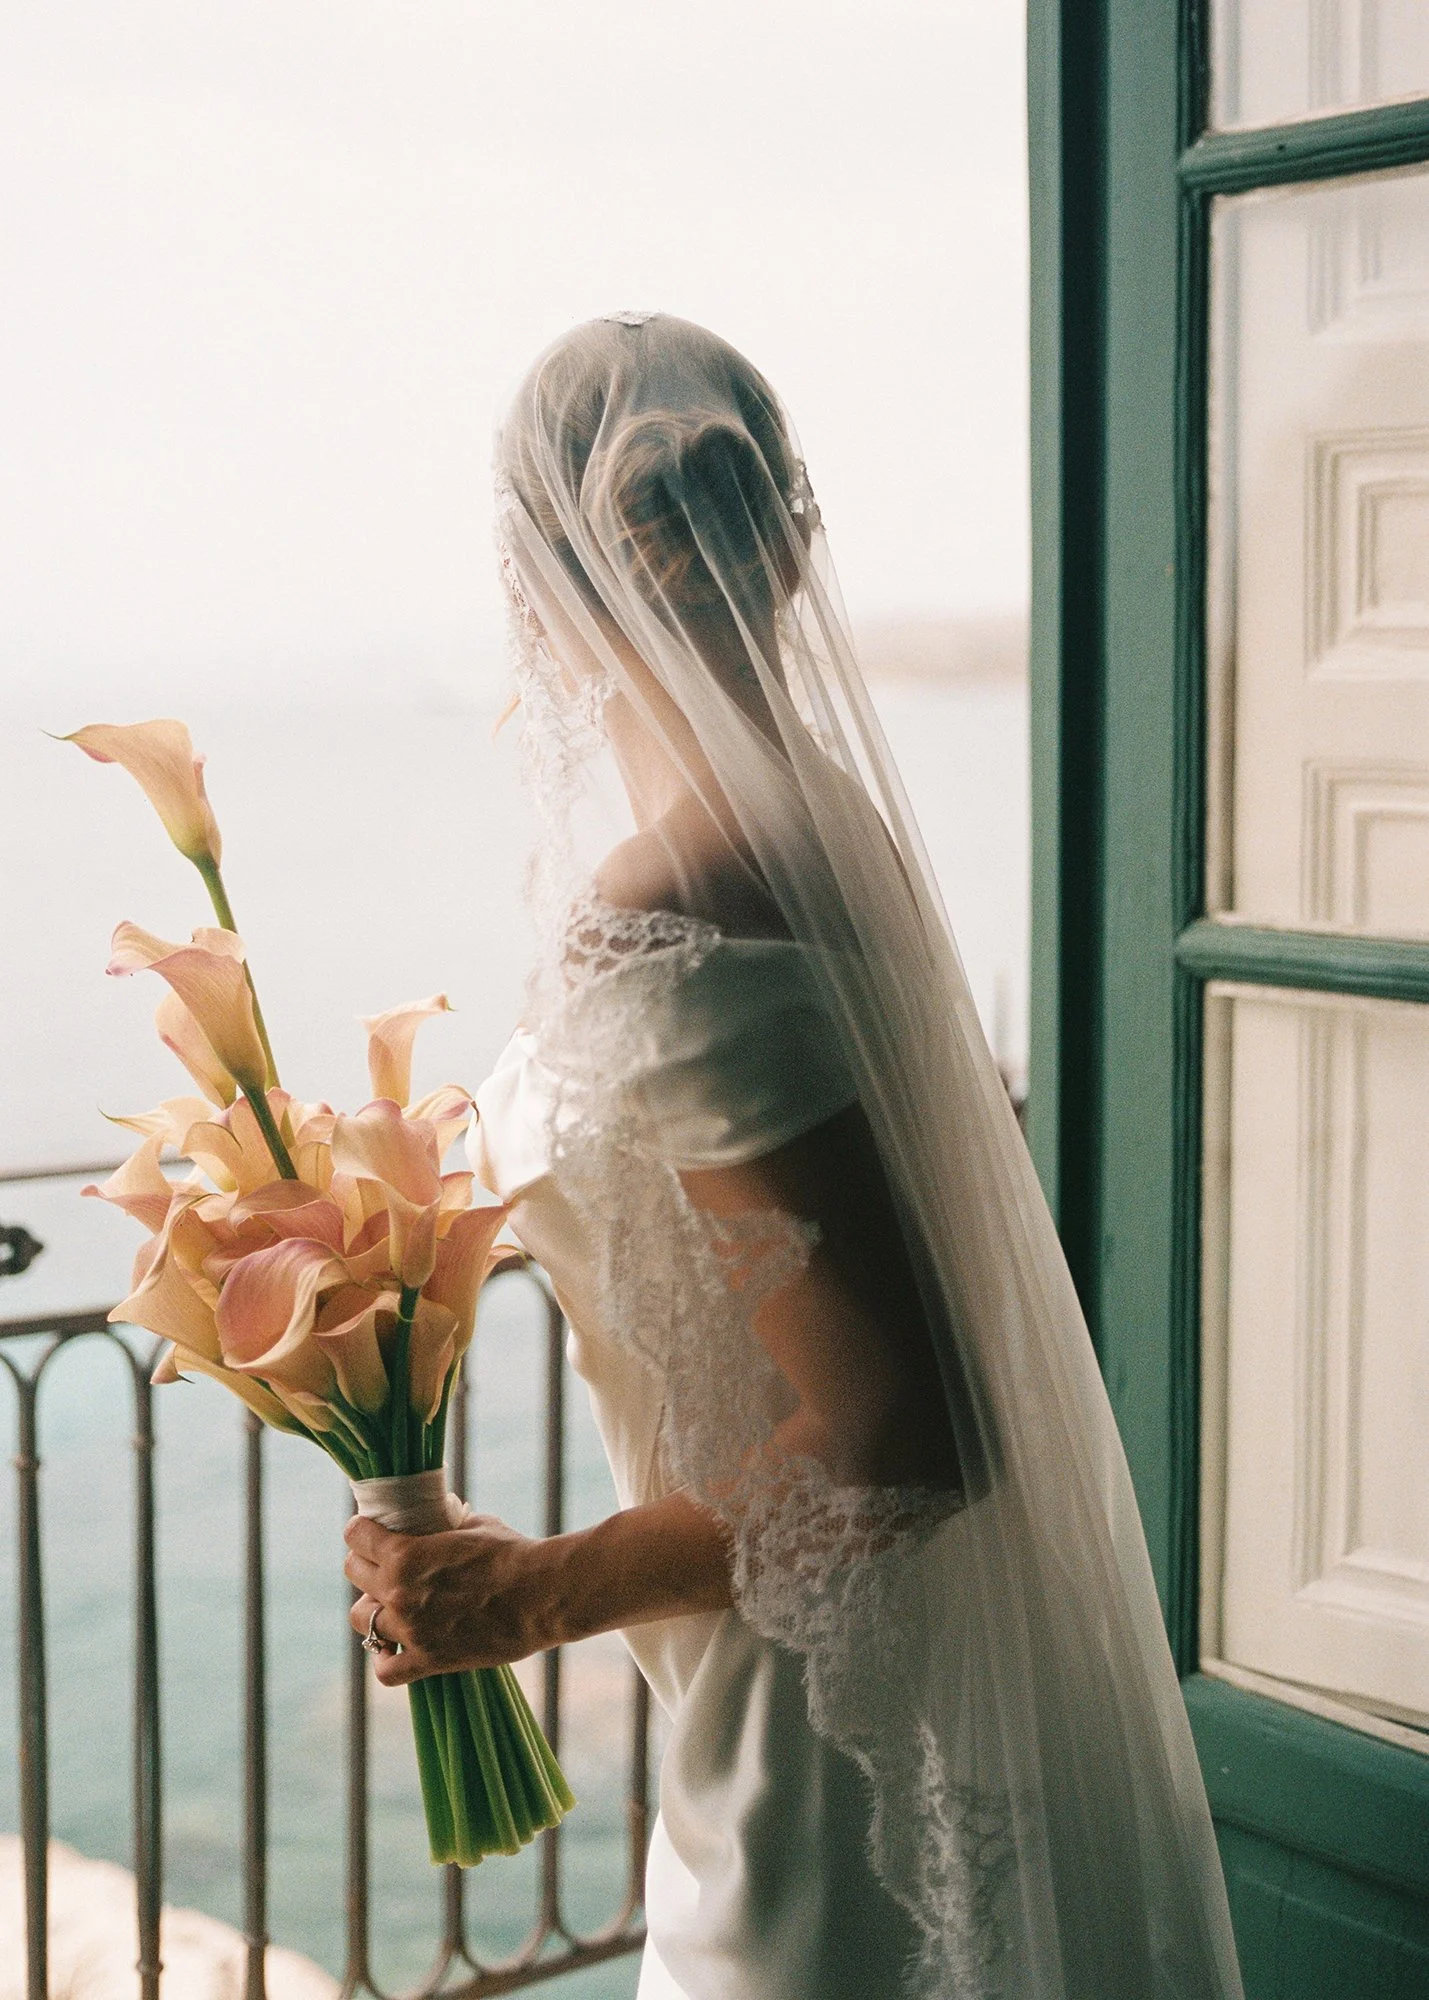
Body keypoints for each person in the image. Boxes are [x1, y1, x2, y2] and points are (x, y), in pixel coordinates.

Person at [341, 313, 1243, 1999]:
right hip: (862, 1663)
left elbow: (902, 1434)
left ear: (542, 588)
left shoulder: (666, 902)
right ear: (792, 534)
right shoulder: (829, 822)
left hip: (815, 1732)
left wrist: (531, 1594)